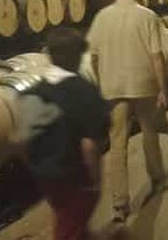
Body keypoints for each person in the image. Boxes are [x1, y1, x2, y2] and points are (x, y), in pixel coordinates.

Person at [87, 0, 168, 224]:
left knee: (117, 144)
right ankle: (157, 178)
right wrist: (163, 88)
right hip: (143, 85)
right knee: (149, 133)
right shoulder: (147, 16)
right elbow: (157, 56)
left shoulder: (101, 17)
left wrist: (102, 83)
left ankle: (120, 204)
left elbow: (93, 56)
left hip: (113, 88)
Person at [25, 28, 110, 240]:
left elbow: (21, 139)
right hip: (75, 178)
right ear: (77, 56)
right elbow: (91, 145)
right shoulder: (84, 92)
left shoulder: (33, 92)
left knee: (73, 224)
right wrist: (95, 183)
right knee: (68, 230)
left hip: (44, 179)